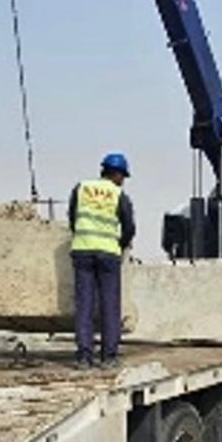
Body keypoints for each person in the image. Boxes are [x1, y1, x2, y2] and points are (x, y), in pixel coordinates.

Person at [69, 152, 136, 369]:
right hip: (108, 253)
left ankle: (84, 356)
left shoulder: (81, 188)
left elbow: (72, 218)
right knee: (109, 305)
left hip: (83, 250)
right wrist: (121, 244)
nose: (122, 181)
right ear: (117, 174)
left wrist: (83, 236)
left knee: (84, 305)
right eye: (122, 176)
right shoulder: (119, 195)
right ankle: (108, 356)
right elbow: (129, 228)